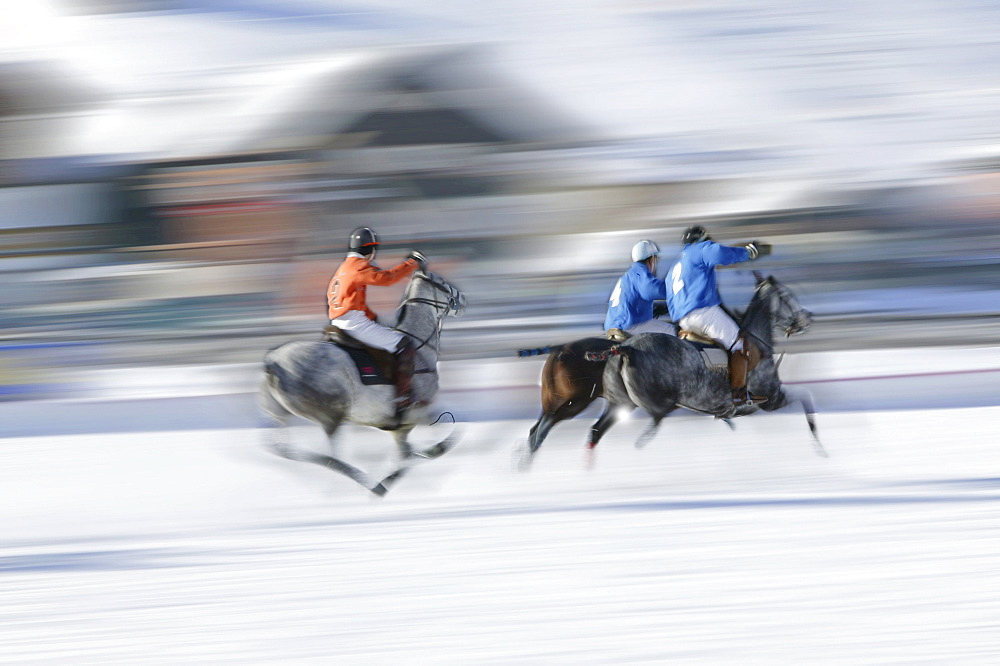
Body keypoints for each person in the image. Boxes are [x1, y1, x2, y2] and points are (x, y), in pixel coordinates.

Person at [327, 227, 427, 415]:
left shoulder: (343, 268)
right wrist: (412, 264)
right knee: (405, 346)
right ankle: (402, 399)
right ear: (369, 249)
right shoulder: (359, 265)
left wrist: (373, 318)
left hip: (339, 322)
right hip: (353, 324)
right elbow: (386, 279)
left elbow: (351, 301)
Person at [665, 225, 763, 411]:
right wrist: (748, 252)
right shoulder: (699, 249)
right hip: (704, 313)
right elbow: (718, 252)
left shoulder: (674, 267)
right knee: (740, 345)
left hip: (683, 321)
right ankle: (739, 395)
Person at [604, 239, 675, 340]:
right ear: (651, 259)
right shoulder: (640, 271)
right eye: (656, 259)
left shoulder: (627, 276)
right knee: (676, 333)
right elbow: (653, 289)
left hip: (611, 327)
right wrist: (677, 289)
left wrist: (658, 307)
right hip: (632, 325)